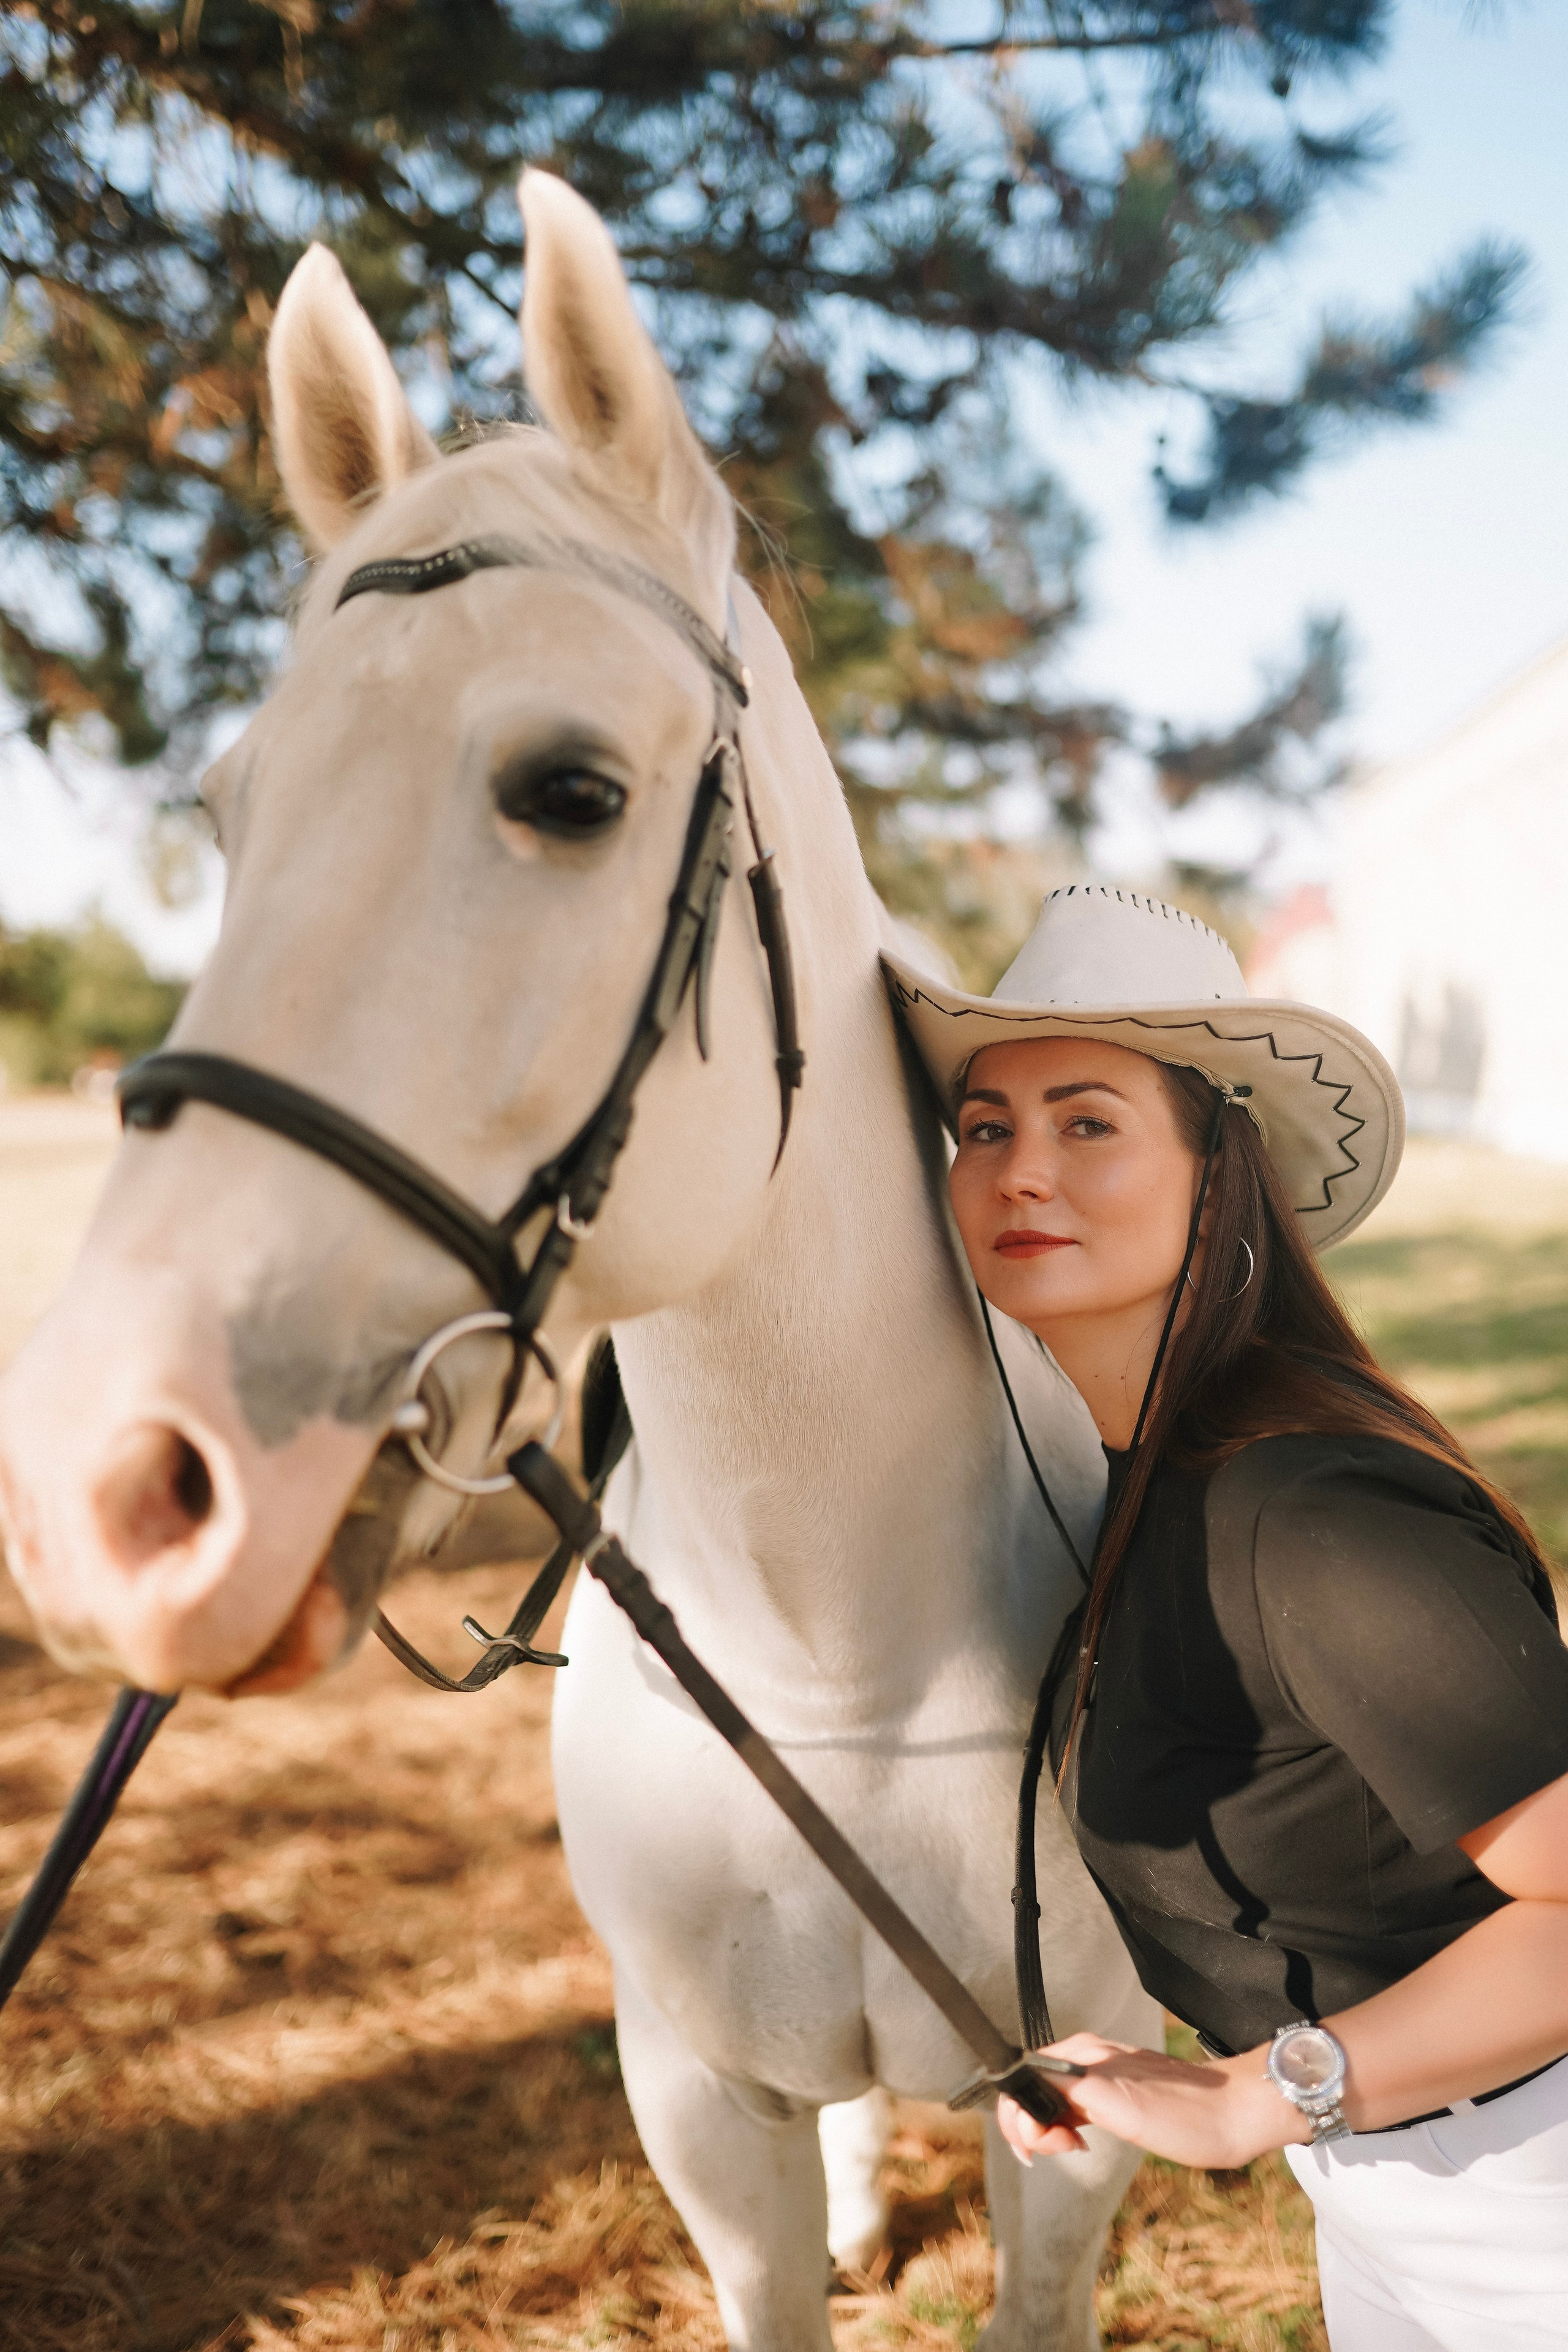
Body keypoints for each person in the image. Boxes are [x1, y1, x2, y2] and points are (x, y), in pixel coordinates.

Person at [883, 886, 1568, 2352]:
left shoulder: (1310, 1515)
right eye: (985, 1129)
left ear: (1218, 1177)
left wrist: (1259, 2093)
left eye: (1086, 1123)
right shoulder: (1153, 1482)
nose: (1017, 1173)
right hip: (1397, 2186)